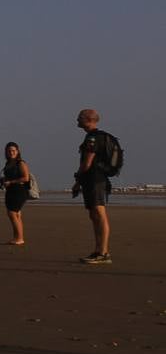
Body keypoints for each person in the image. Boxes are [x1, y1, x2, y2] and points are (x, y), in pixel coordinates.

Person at [72, 108, 112, 264]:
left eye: (79, 117)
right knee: (94, 215)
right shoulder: (93, 136)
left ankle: (103, 252)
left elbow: (87, 163)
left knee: (99, 214)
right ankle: (98, 250)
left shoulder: (93, 138)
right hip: (93, 180)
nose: (77, 120)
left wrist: (78, 179)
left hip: (95, 180)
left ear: (88, 119)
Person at [0, 141, 31, 246]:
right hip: (11, 190)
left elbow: (26, 178)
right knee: (17, 214)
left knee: (12, 213)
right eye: (9, 151)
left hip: (19, 190)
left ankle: (19, 238)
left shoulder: (21, 163)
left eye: (13, 150)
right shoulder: (8, 163)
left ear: (17, 151)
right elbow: (11, 176)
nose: (11, 152)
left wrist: (11, 182)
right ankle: (17, 237)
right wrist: (4, 180)